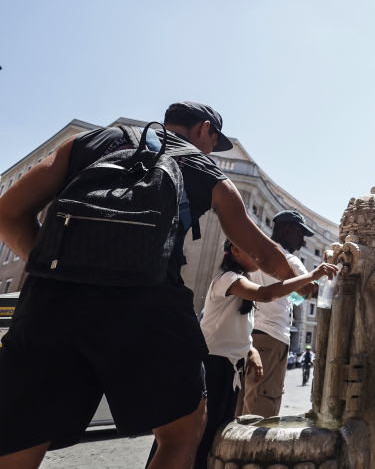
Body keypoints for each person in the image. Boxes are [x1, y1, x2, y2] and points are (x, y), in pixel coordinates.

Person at [0, 101, 308, 469]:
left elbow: (8, 213)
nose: (211, 149)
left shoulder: (91, 141)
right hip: (147, 305)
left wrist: (63, 267)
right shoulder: (205, 170)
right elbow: (265, 254)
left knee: (23, 430)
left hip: (51, 301)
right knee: (183, 431)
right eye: (213, 140)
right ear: (203, 129)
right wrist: (303, 284)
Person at [194, 239, 337, 469]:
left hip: (229, 369)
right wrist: (312, 276)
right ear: (236, 250)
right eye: (254, 253)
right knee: (201, 437)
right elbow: (266, 294)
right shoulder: (228, 279)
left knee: (218, 434)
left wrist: (250, 350)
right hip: (212, 368)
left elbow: (232, 326)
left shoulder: (241, 284)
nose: (260, 259)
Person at [238, 210, 314, 418]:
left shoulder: (253, 255)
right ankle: (252, 451)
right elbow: (307, 292)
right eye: (300, 236)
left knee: (244, 399)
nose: (301, 243)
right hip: (272, 337)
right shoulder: (290, 260)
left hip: (247, 334)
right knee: (264, 403)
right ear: (286, 230)